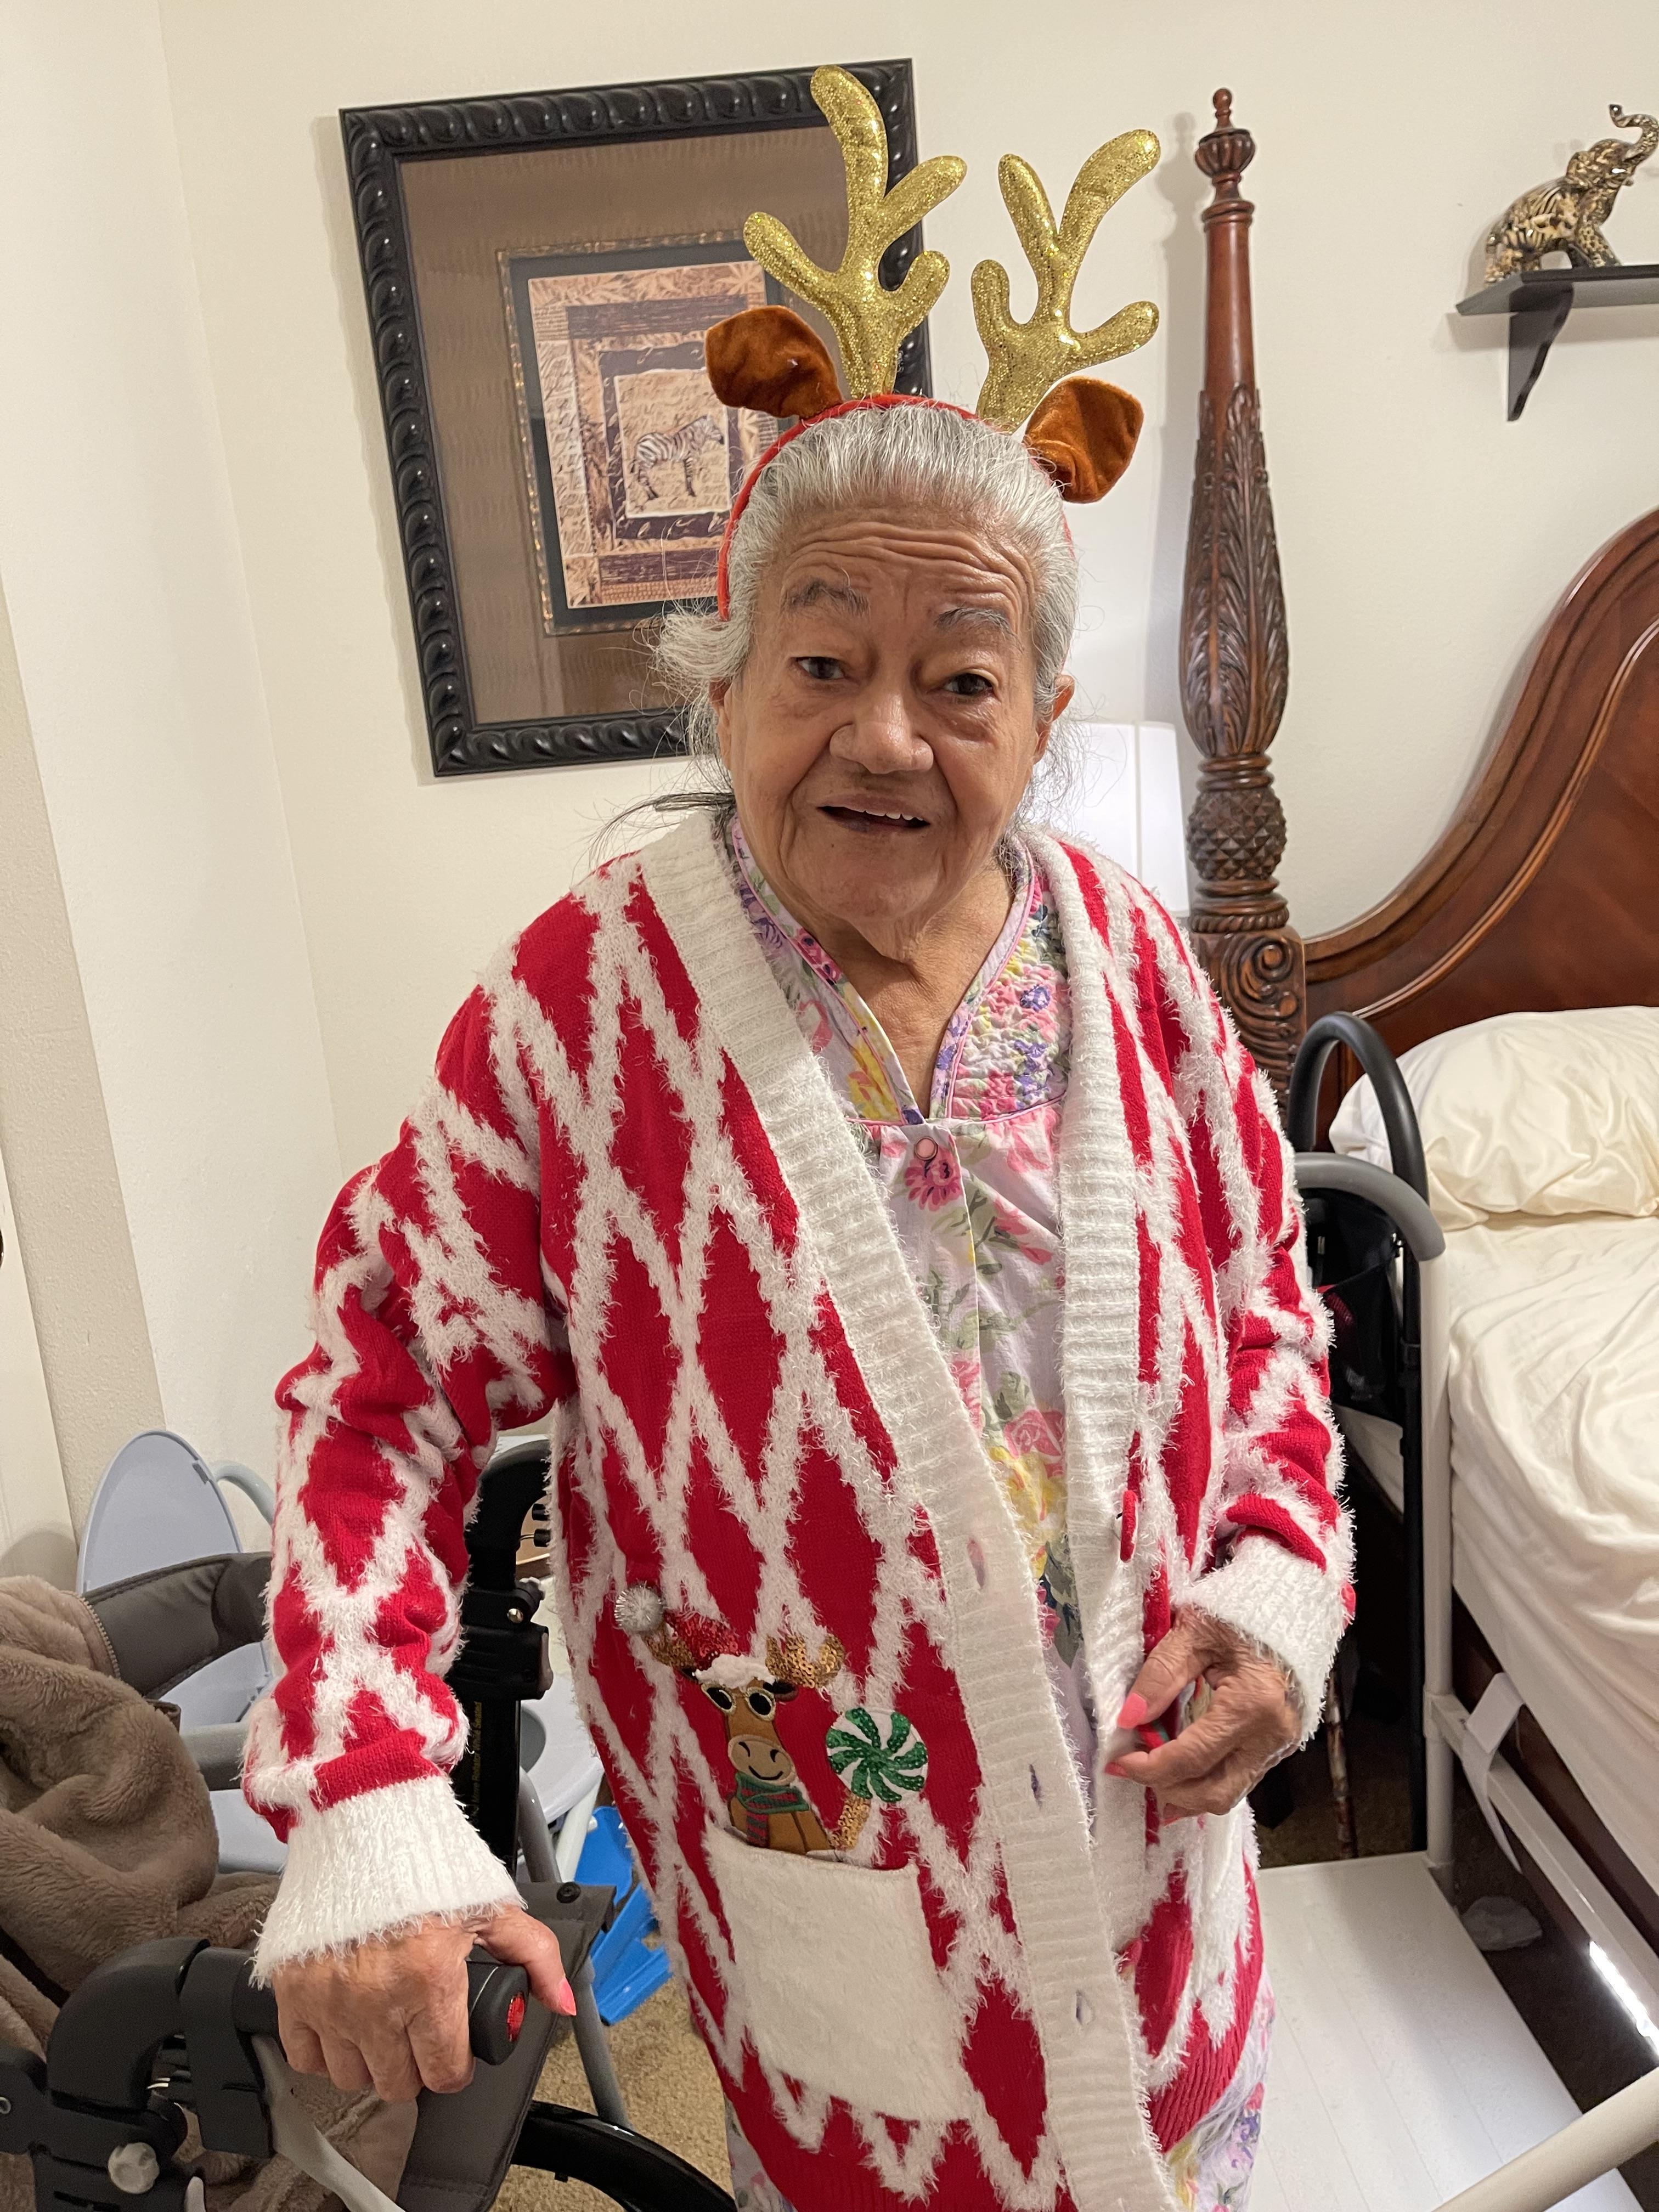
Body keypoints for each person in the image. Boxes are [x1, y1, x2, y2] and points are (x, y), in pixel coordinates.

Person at [245, 72, 1348, 2212]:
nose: (882, 732)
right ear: (722, 685)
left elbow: (1267, 1315)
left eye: (960, 676)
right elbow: (374, 1402)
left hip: (1167, 1925)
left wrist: (1280, 1588)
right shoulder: (581, 1006)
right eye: (820, 660)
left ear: (1041, 714)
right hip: (846, 1966)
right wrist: (372, 1792)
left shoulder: (1131, 962)